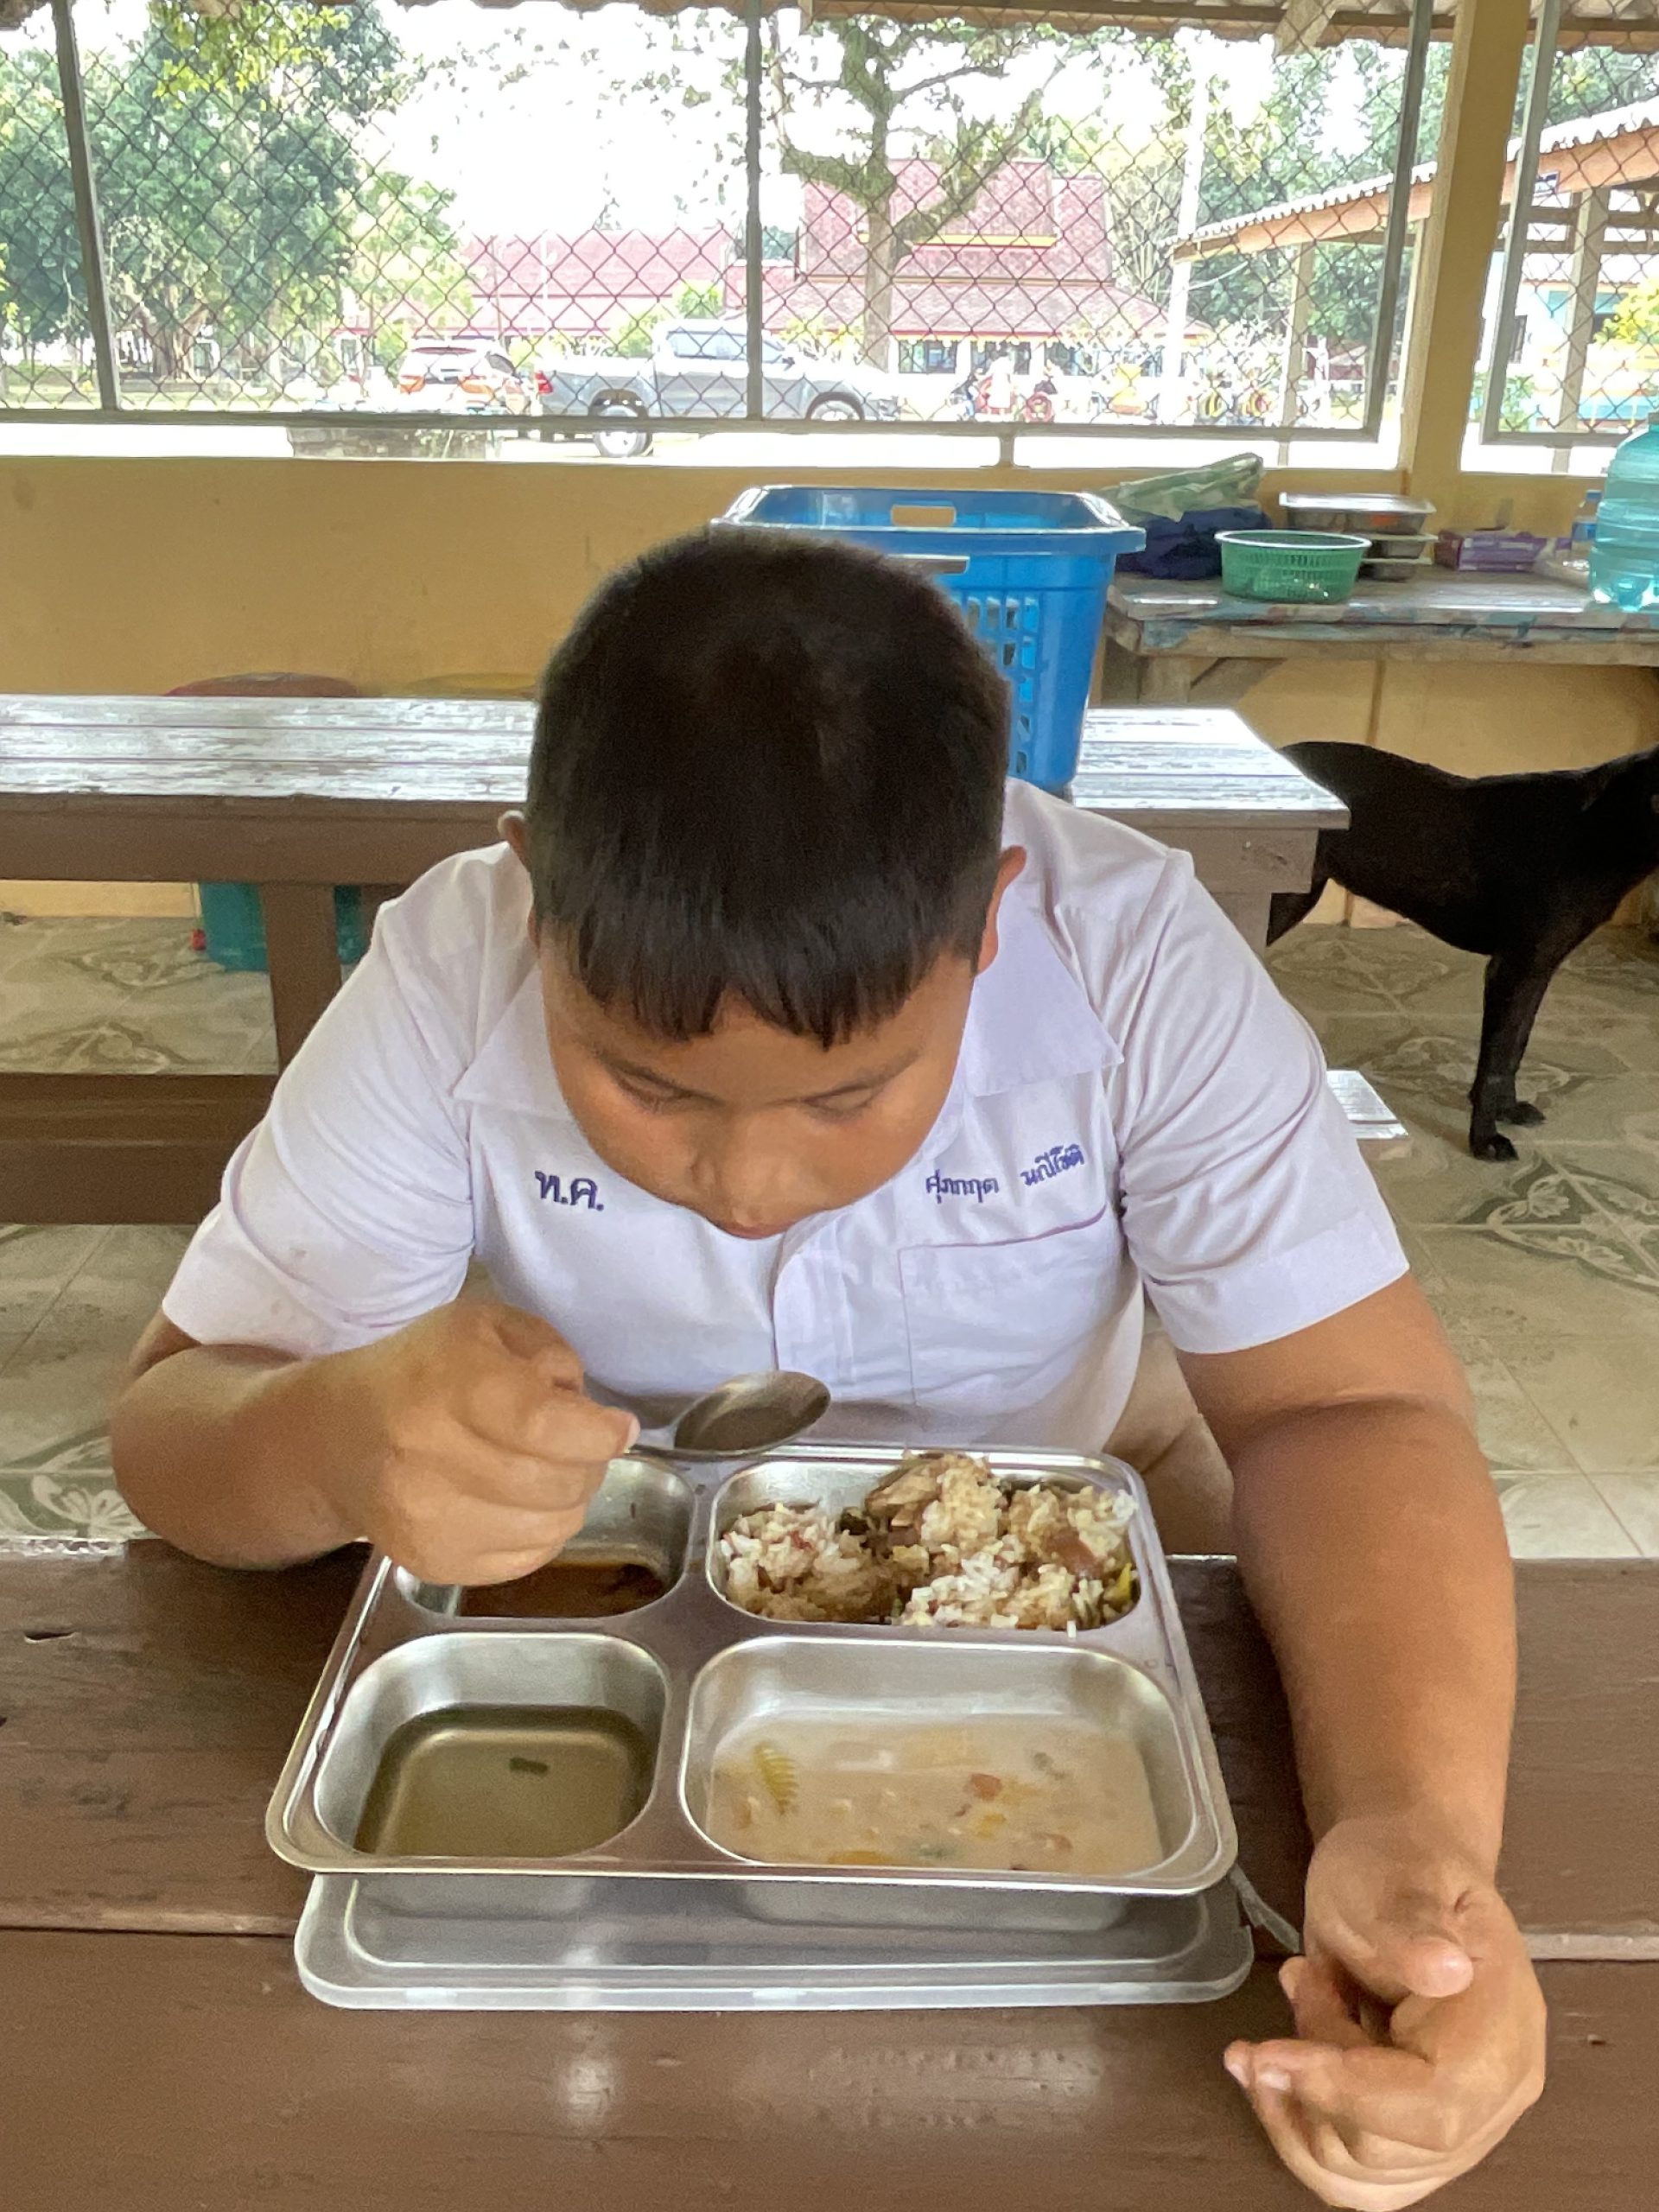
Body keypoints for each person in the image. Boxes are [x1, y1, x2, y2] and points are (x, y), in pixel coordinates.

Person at [113, 530, 1543, 2205]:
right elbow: (174, 1422)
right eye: (648, 1084)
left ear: (988, 923)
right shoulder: (449, 968)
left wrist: (1415, 1836)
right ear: (534, 897)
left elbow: (1348, 1408)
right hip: (613, 1588)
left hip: (1062, 1550)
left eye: (850, 1094)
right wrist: (331, 1432)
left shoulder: (1135, 957)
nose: (746, 1185)